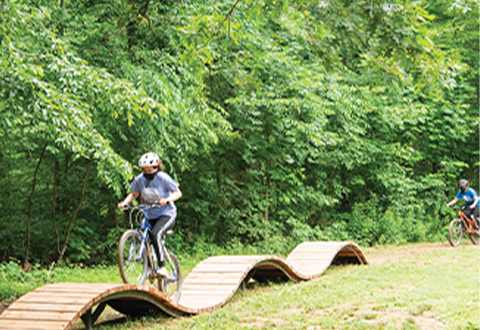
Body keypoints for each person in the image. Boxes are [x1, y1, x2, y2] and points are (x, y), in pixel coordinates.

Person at [117, 152, 182, 277]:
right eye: (144, 171)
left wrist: (167, 200)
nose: (147, 173)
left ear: (156, 168)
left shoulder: (163, 178)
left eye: (150, 171)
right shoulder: (139, 180)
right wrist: (124, 203)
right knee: (144, 237)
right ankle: (147, 268)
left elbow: (178, 193)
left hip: (166, 213)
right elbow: (133, 194)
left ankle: (162, 266)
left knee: (155, 233)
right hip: (150, 214)